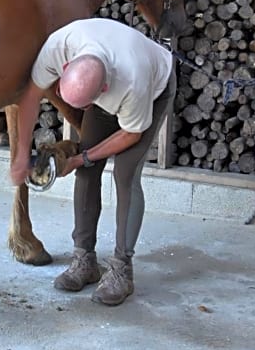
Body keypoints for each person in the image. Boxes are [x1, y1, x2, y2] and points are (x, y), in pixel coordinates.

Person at [9, 18, 176, 306]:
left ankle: (122, 270)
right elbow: (30, 97)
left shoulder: (133, 81)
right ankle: (84, 260)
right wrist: (22, 152)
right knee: (86, 173)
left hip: (154, 85)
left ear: (104, 88)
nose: (79, 111)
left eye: (83, 106)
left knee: (125, 176)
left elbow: (130, 135)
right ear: (64, 70)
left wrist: (81, 156)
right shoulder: (58, 47)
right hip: (104, 80)